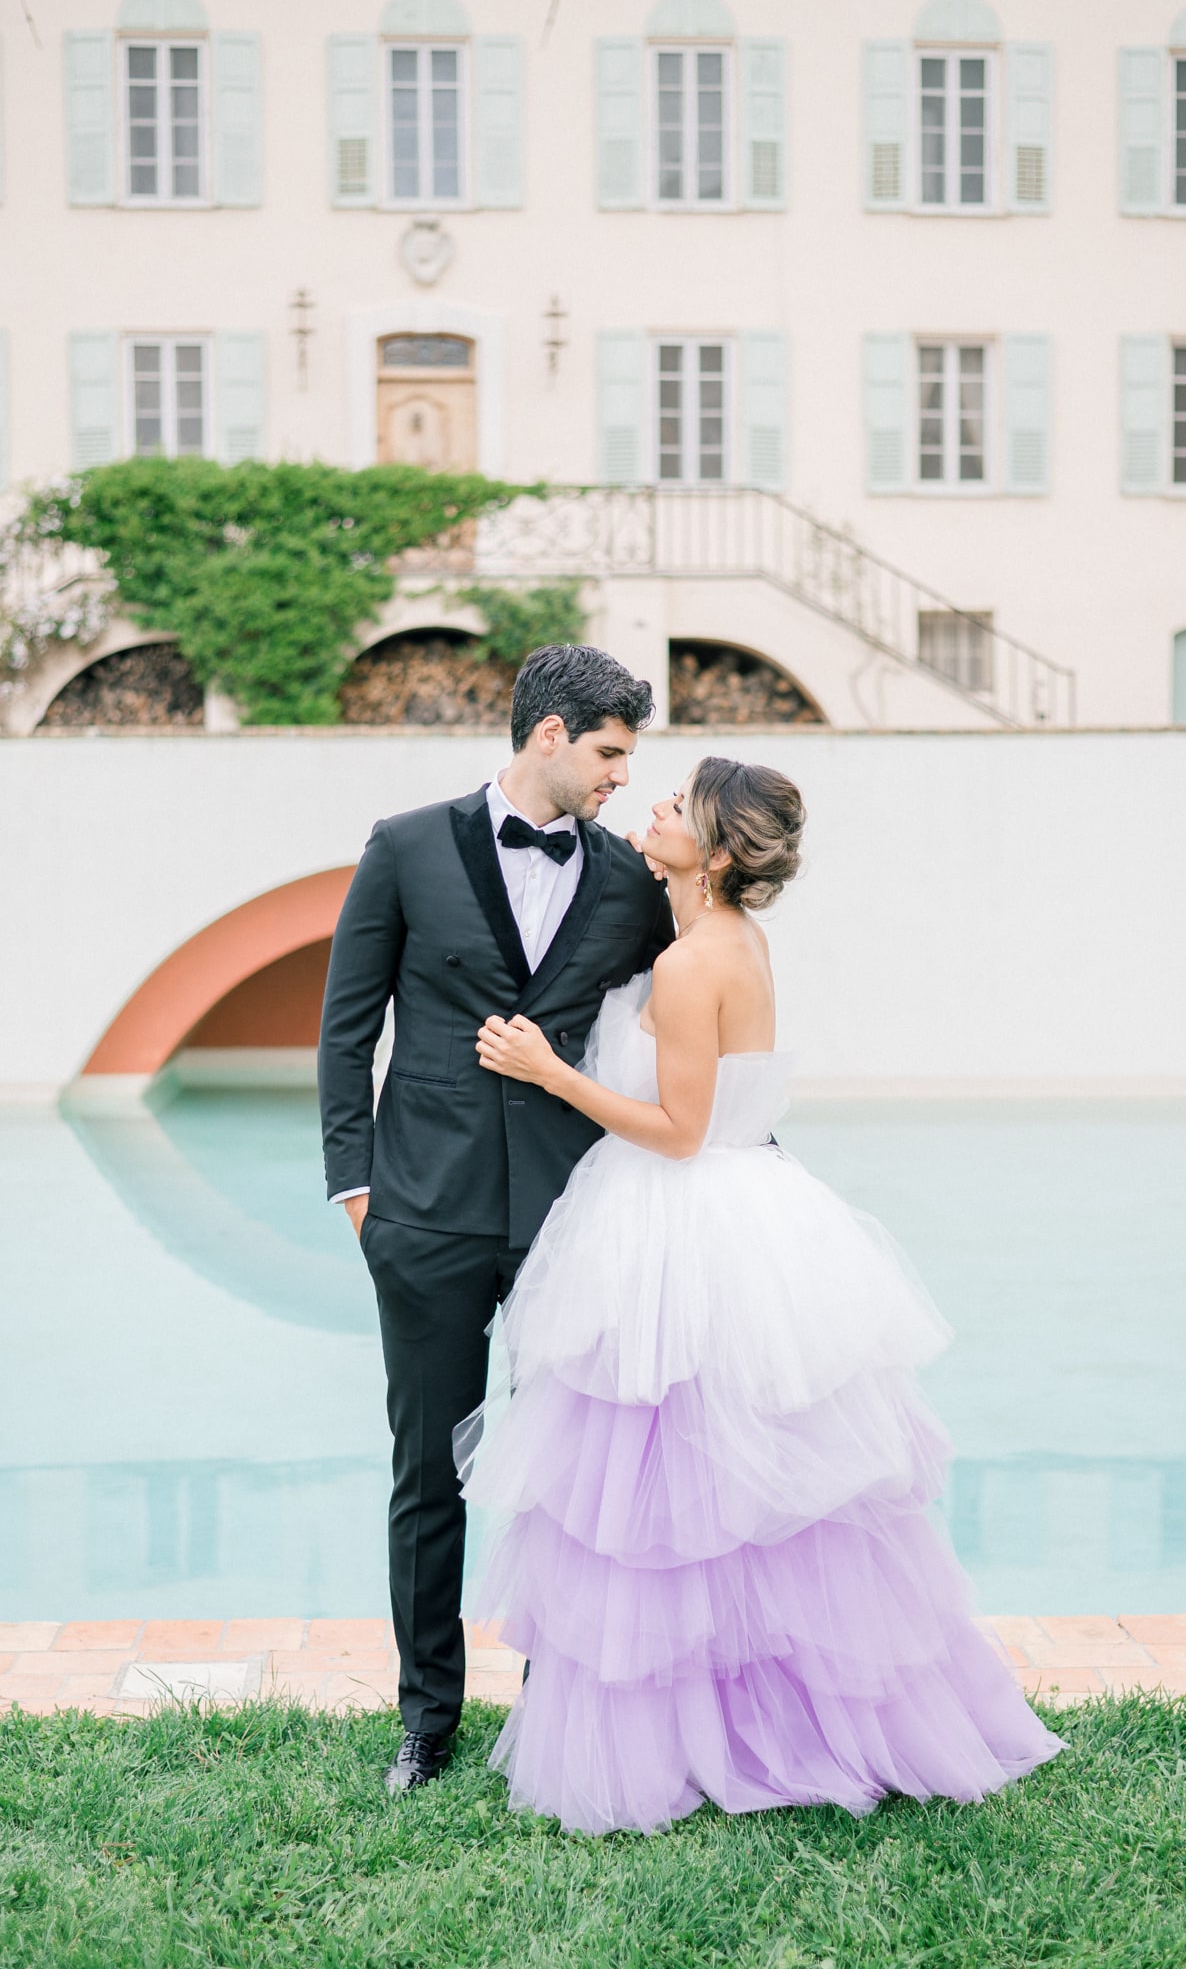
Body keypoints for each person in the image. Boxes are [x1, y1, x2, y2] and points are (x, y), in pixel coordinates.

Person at [462, 756, 1064, 1834]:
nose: (655, 807)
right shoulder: (722, 940)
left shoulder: (697, 962)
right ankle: (743, 1720)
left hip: (688, 1216)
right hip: (739, 1211)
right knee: (733, 1508)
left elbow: (678, 1132)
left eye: (678, 807)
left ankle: (703, 1738)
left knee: (673, 1501)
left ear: (722, 853)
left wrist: (548, 1070)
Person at [318, 644, 673, 1794]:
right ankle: (427, 1722)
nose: (622, 774)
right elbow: (344, 1026)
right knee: (428, 1468)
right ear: (549, 735)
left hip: (573, 1211)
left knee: (572, 1474)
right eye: (611, 751)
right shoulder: (406, 843)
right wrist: (356, 1189)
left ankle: (556, 1709)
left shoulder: (629, 884)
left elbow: (676, 1030)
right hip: (420, 1211)